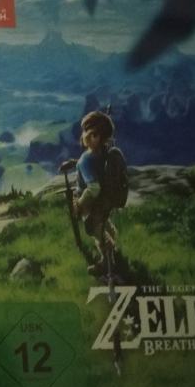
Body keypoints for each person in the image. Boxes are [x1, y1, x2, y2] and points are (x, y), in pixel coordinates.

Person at [73, 111, 119, 274]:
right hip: (105, 200)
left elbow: (93, 188)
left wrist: (80, 204)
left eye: (90, 133)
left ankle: (107, 262)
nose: (86, 136)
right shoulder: (104, 153)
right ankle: (113, 248)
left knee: (95, 229)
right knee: (104, 223)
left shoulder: (85, 160)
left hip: (91, 203)